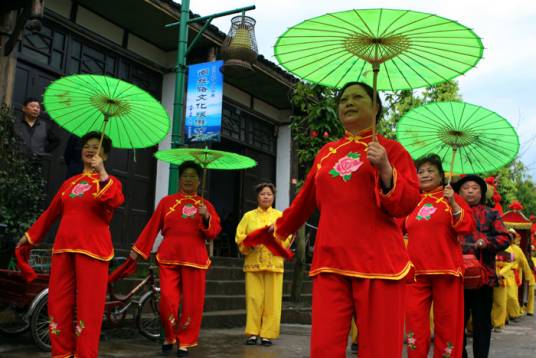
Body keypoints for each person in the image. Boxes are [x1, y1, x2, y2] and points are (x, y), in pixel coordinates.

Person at [267, 82, 421, 358]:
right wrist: (280, 227)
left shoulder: (392, 150)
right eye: (343, 99)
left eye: (358, 97)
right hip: (330, 261)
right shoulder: (327, 153)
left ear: (376, 107)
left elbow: (407, 202)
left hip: (379, 263)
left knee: (380, 349)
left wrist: (385, 168)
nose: (348, 102)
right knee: (324, 347)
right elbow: (306, 198)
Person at [17, 131, 124, 357]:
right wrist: (30, 236)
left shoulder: (109, 182)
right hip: (64, 249)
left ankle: (85, 354)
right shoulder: (69, 183)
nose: (90, 149)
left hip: (93, 251)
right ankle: (62, 353)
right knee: (59, 304)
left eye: (96, 146)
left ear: (104, 154)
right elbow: (51, 213)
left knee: (89, 308)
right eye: (87, 145)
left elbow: (114, 201)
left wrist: (102, 172)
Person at [130, 161, 221, 357]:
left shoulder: (206, 205)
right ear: (180, 178)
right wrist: (138, 249)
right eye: (185, 175)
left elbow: (213, 233)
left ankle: (185, 342)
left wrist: (206, 218)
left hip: (195, 258)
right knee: (167, 302)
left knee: (192, 304)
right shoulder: (167, 202)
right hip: (169, 256)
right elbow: (152, 226)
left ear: (199, 181)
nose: (188, 179)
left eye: (193, 176)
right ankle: (169, 336)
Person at [404, 154, 474, 358]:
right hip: (416, 273)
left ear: (441, 176)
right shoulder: (412, 202)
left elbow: (466, 227)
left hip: (447, 270)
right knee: (414, 324)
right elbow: (394, 227)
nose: (425, 175)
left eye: (430, 171)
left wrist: (452, 202)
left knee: (447, 325)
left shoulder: (453, 198)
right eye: (420, 171)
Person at [453, 174, 510, 358]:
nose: (470, 190)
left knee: (482, 325)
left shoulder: (491, 213)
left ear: (481, 193)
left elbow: (505, 237)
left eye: (475, 188)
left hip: (483, 278)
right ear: (458, 193)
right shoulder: (451, 211)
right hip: (456, 277)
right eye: (465, 188)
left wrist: (486, 242)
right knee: (455, 324)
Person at [235, 183, 291, 346]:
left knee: (272, 301)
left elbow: (287, 237)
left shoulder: (280, 217)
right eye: (262, 194)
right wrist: (250, 242)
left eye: (269, 194)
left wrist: (275, 234)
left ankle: (267, 334)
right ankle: (252, 333)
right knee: (253, 299)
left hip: (274, 263)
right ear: (257, 197)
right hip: (253, 263)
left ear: (273, 197)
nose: (266, 197)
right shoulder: (248, 216)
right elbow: (240, 236)